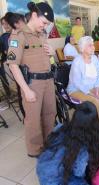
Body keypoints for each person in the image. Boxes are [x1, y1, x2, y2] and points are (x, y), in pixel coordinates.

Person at [7, 2, 57, 157]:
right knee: (33, 119)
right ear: (34, 15)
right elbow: (13, 65)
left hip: (48, 81)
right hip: (32, 83)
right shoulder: (19, 35)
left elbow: (45, 58)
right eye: (44, 23)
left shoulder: (42, 35)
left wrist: (52, 53)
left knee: (50, 114)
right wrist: (26, 90)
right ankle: (35, 150)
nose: (45, 26)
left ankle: (49, 143)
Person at [37, 101, 99, 185]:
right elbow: (79, 172)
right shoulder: (83, 148)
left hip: (42, 172)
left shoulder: (59, 127)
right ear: (94, 122)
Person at [67, 36, 99, 126]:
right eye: (90, 45)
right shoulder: (77, 61)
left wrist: (97, 92)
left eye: (93, 45)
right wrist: (93, 95)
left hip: (93, 87)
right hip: (76, 89)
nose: (93, 47)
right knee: (96, 102)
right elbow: (77, 83)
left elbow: (97, 77)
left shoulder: (94, 58)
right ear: (82, 48)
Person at [0, 15, 12, 96]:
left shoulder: (19, 34)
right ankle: (9, 95)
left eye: (7, 23)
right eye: (3, 24)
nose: (5, 25)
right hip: (12, 65)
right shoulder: (3, 37)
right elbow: (2, 52)